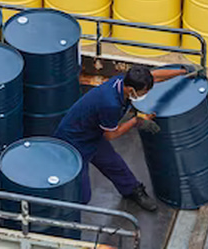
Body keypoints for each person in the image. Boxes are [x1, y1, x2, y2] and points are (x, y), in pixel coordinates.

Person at [53, 65, 187, 212]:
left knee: (114, 164)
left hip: (92, 133)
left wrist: (183, 72)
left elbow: (156, 76)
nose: (146, 95)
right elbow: (111, 134)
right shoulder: (110, 104)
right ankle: (63, 213)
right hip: (74, 141)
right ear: (131, 90)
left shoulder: (125, 80)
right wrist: (137, 121)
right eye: (144, 92)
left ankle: (132, 190)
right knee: (82, 195)